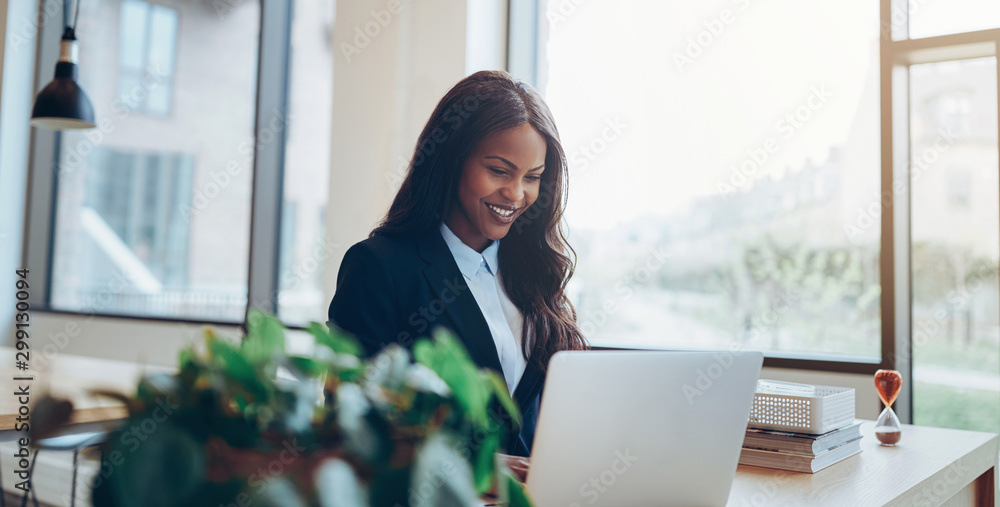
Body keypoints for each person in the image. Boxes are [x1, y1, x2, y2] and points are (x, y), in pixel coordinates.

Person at [327, 70, 587, 464]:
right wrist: (488, 465)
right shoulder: (379, 268)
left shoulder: (533, 271)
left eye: (532, 178)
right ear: (450, 161)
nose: (516, 194)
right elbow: (351, 425)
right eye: (499, 171)